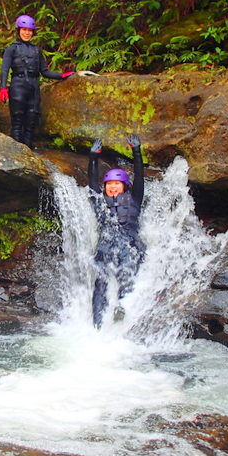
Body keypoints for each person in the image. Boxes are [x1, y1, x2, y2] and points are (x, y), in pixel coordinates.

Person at [88, 133, 145, 327]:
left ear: (124, 186)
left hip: (129, 243)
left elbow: (140, 176)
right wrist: (93, 157)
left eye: (116, 184)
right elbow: (92, 182)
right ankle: (96, 324)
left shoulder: (134, 198)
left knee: (127, 276)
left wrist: (136, 151)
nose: (112, 187)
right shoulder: (99, 200)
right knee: (101, 283)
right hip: (106, 243)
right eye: (109, 184)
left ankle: (122, 315)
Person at [0, 14, 73, 147]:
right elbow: (4, 69)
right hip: (18, 86)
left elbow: (44, 71)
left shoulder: (36, 50)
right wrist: (3, 88)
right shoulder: (12, 49)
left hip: (33, 88)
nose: (27, 33)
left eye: (29, 31)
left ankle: (29, 154)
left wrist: (62, 76)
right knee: (17, 121)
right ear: (18, 30)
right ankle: (16, 153)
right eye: (24, 30)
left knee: (31, 122)